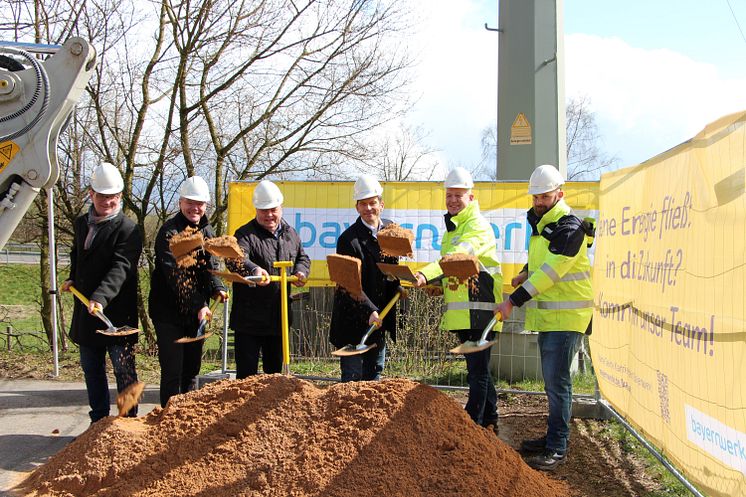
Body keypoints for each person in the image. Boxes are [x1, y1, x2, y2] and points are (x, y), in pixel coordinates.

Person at [495, 164, 594, 471]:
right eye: (535, 197)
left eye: (544, 196)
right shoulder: (543, 225)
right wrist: (525, 272)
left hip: (567, 319)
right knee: (553, 384)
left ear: (559, 194)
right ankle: (553, 437)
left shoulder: (569, 228)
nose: (538, 202)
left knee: (558, 384)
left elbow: (550, 273)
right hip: (552, 319)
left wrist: (514, 300)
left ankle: (557, 447)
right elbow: (540, 262)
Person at [414, 167, 503, 430]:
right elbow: (454, 270)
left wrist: (425, 274)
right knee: (479, 369)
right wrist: (439, 285)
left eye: (458, 195)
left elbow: (455, 259)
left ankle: (471, 423)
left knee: (476, 371)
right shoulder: (452, 230)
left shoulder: (478, 227)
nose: (453, 200)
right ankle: (490, 418)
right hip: (465, 311)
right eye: (449, 195)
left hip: (480, 309)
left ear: (471, 198)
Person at [61, 162, 143, 423]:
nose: (108, 201)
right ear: (91, 194)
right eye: (103, 196)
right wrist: (73, 277)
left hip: (116, 313)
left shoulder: (128, 230)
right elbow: (78, 254)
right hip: (88, 311)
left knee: (124, 369)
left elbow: (122, 267)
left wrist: (100, 297)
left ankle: (129, 421)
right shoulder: (81, 223)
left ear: (119, 196)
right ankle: (98, 421)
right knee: (92, 369)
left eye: (113, 197)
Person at [149, 175, 228, 407]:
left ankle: (186, 418)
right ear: (180, 203)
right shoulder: (168, 233)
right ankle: (169, 421)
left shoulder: (206, 230)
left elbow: (211, 265)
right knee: (173, 371)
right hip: (169, 314)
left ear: (206, 206)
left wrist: (218, 287)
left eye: (200, 204)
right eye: (190, 202)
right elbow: (176, 277)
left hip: (195, 315)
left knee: (192, 371)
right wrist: (200, 305)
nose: (195, 208)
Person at [226, 180, 310, 378]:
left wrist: (300, 271)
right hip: (249, 321)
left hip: (278, 319)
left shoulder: (290, 233)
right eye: (264, 211)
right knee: (247, 378)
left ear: (280, 208)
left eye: (273, 210)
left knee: (273, 376)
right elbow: (236, 258)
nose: (269, 215)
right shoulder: (245, 234)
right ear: (256, 209)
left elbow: (302, 257)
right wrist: (254, 269)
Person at [329, 175, 401, 382]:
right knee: (353, 379)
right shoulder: (348, 240)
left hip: (379, 321)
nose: (369, 208)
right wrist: (369, 309)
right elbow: (348, 284)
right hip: (353, 320)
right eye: (364, 204)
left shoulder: (392, 231)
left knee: (374, 376)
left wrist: (398, 286)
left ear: (381, 204)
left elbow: (392, 269)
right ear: (357, 207)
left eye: (373, 203)